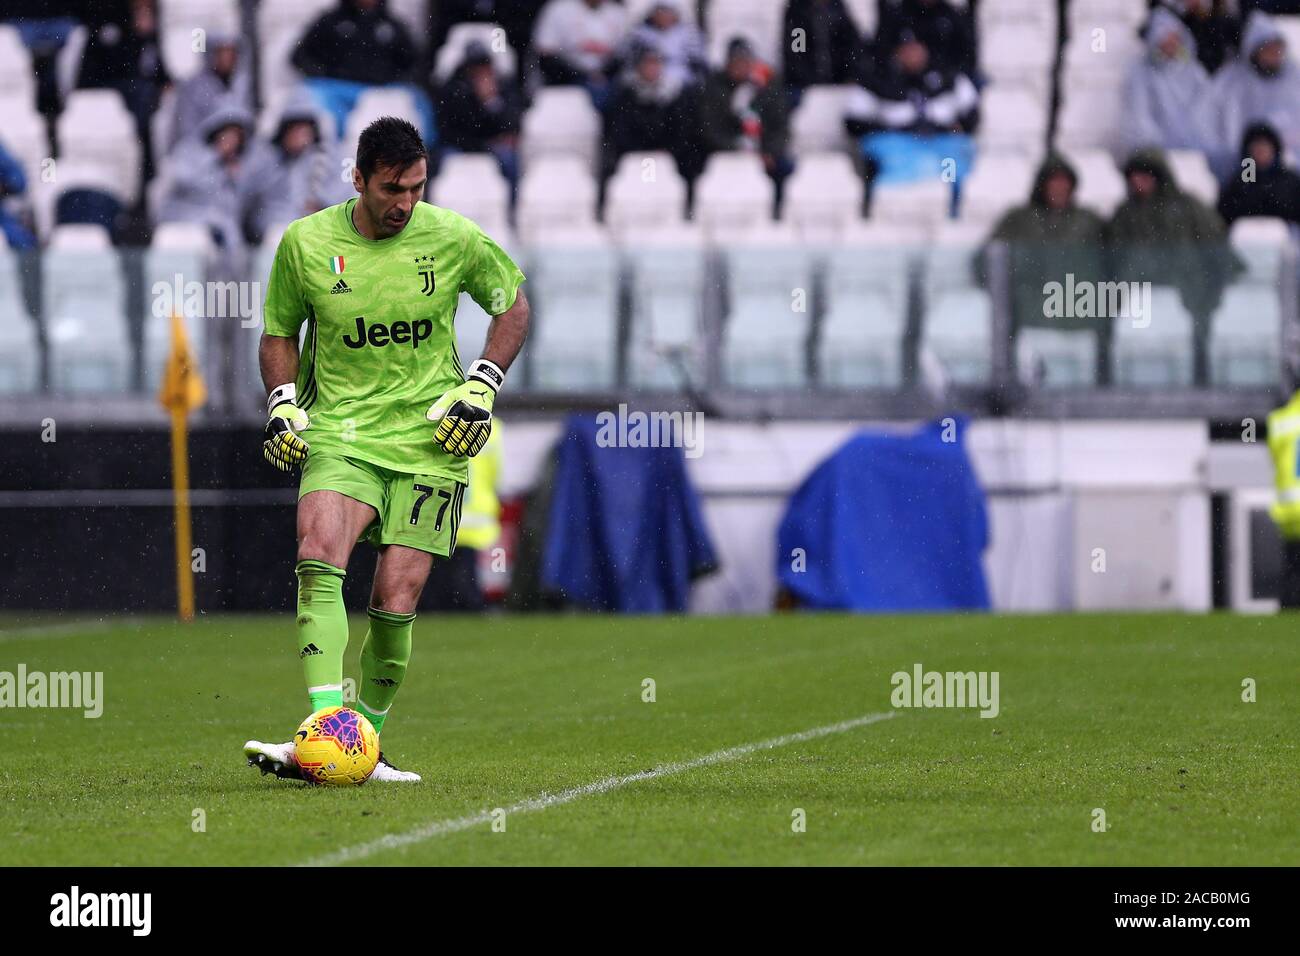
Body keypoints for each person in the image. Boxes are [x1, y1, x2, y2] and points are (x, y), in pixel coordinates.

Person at [243, 117, 530, 783]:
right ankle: (323, 730)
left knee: (396, 597)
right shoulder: (306, 244)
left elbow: (512, 306)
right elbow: (278, 332)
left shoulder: (452, 236)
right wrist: (283, 399)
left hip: (431, 439)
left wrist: (483, 382)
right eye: (392, 188)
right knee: (317, 552)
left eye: (417, 188)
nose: (406, 203)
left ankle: (361, 746)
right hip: (341, 431)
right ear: (360, 179)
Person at [1106, 148, 1243, 384]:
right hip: (1139, 301)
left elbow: (1216, 243)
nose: (1139, 182)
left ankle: (1202, 380)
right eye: (1134, 176)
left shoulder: (1188, 208)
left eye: (1146, 175)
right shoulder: (1125, 214)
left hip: (1188, 293)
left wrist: (1225, 281)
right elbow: (1109, 258)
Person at [977, 155, 1109, 378]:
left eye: (1064, 182)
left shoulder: (1089, 221)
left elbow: (1114, 261)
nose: (1059, 188)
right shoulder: (1018, 220)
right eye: (1053, 181)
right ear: (1042, 185)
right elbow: (987, 260)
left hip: (1079, 313)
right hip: (1028, 314)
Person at [843, 28, 977, 188]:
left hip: (938, 141)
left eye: (916, 48)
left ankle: (953, 205)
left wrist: (956, 126)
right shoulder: (876, 79)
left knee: (957, 156)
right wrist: (886, 127)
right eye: (906, 50)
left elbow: (972, 111)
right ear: (896, 52)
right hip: (897, 145)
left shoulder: (948, 77)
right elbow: (853, 122)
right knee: (900, 165)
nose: (912, 54)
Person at [291, 0, 431, 142]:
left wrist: (393, 81)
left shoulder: (392, 26)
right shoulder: (330, 22)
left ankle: (425, 153)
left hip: (381, 93)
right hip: (336, 90)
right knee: (314, 99)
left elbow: (415, 63)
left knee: (417, 100)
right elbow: (299, 56)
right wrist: (324, 75)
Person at [238, 94, 352, 245]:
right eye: (294, 129)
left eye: (304, 130)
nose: (299, 136)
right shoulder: (267, 161)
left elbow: (346, 200)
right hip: (272, 234)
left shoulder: (327, 160)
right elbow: (250, 202)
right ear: (283, 131)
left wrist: (322, 206)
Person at [155, 104, 254, 256]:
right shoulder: (188, 151)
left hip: (219, 241)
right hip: (181, 228)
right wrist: (215, 159)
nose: (231, 141)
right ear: (216, 132)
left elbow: (238, 213)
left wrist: (235, 180)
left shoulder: (240, 169)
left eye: (236, 137)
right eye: (227, 134)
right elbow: (181, 180)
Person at [1123, 7, 1218, 159]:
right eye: (1165, 39)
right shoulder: (1141, 72)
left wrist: (1194, 145)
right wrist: (1158, 148)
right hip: (1157, 154)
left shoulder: (1194, 71)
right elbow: (1139, 116)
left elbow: (1206, 112)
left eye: (1174, 38)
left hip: (1194, 152)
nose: (1170, 44)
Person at [1212, 11, 1300, 175]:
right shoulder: (1235, 82)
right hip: (1248, 155)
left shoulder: (1294, 77)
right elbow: (1228, 126)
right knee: (1249, 184)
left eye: (1277, 49)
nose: (1274, 55)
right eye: (1268, 49)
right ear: (1255, 50)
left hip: (1291, 155)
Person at [696, 37, 791, 184]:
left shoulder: (767, 88)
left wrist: (768, 151)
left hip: (763, 151)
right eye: (736, 62)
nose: (741, 67)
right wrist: (735, 147)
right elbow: (710, 128)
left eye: (745, 62)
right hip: (723, 153)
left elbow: (780, 126)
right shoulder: (715, 89)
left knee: (785, 167)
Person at [436, 41, 524, 187]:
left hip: (491, 144)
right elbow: (452, 129)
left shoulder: (502, 87)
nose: (480, 72)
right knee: (437, 165)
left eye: (484, 66)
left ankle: (512, 206)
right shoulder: (453, 89)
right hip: (459, 145)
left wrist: (491, 102)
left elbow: (511, 123)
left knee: (510, 159)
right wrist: (478, 100)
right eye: (476, 67)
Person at [602, 43, 695, 180]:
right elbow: (620, 130)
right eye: (648, 63)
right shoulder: (626, 95)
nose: (652, 68)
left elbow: (681, 130)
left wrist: (667, 149)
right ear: (639, 66)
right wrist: (641, 150)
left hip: (669, 155)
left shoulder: (674, 95)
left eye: (656, 63)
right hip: (632, 154)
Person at [533, 0, 627, 106]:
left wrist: (602, 74)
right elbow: (545, 53)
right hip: (568, 79)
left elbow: (623, 55)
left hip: (607, 80)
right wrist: (580, 75)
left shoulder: (617, 12)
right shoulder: (559, 9)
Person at [168, 31, 251, 151]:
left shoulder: (243, 83)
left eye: (232, 52)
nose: (228, 58)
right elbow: (186, 131)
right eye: (223, 52)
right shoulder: (193, 87)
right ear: (211, 54)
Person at [1217, 121, 1300, 224]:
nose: (1261, 151)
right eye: (1256, 147)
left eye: (1265, 146)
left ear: (1274, 149)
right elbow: (1223, 216)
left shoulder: (1291, 182)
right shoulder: (1238, 183)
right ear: (1248, 151)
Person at [874, 0, 977, 80]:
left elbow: (966, 60)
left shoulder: (952, 18)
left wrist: (929, 60)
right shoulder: (897, 14)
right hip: (897, 90)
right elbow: (878, 53)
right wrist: (899, 57)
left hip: (942, 89)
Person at [781, 0, 861, 95]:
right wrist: (813, 85)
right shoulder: (798, 10)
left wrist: (848, 76)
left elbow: (851, 46)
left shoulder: (837, 8)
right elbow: (795, 54)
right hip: (803, 87)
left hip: (836, 85)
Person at [1266, 386, 1300, 608]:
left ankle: (1288, 605)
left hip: (1290, 507)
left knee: (1292, 563)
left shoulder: (1280, 419)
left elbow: (1274, 454)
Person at [623, 0, 706, 89]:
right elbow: (629, 61)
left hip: (681, 84)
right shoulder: (640, 33)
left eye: (668, 12)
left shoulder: (689, 33)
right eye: (661, 12)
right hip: (645, 81)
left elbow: (697, 62)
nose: (664, 16)